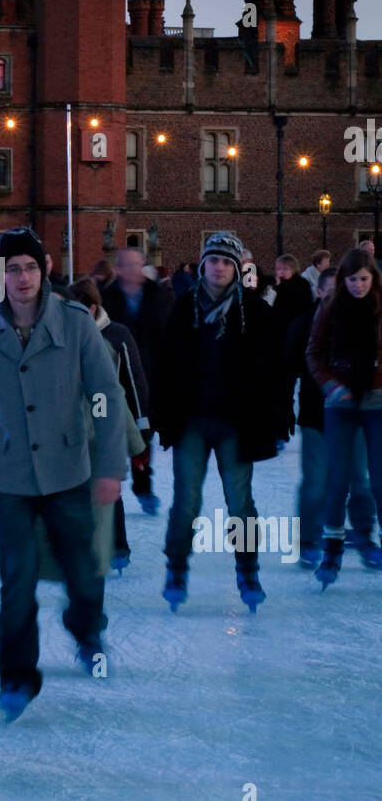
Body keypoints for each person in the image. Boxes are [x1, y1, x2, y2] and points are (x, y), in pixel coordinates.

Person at [0, 227, 127, 723]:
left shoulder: (75, 324)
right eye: (10, 269)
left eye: (28, 267)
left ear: (44, 267)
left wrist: (111, 464)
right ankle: (18, 675)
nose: (20, 278)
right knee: (17, 579)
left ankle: (86, 629)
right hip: (11, 476)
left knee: (84, 572)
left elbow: (106, 396)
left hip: (69, 472)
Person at [153, 230, 291, 611]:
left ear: (236, 268)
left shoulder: (256, 311)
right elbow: (164, 367)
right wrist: (162, 417)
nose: (218, 268)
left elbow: (276, 369)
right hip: (191, 421)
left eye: (225, 262)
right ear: (203, 266)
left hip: (237, 422)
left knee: (240, 501)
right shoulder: (183, 309)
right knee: (186, 500)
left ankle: (248, 570)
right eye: (212, 261)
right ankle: (176, 568)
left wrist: (280, 415)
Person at [285, 267, 377, 570]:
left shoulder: (360, 321)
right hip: (317, 417)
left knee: (358, 480)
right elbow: (285, 372)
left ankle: (365, 538)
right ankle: (309, 541)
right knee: (317, 481)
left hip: (357, 414)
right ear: (320, 292)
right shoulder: (302, 326)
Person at [306, 248, 382, 588]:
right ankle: (333, 548)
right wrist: (330, 385)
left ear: (373, 278)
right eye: (352, 280)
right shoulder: (331, 307)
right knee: (339, 480)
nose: (358, 286)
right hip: (340, 402)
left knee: (377, 480)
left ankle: (369, 540)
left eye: (363, 279)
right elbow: (313, 353)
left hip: (377, 402)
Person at [70, 277, 150, 573]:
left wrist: (141, 429)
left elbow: (131, 383)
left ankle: (118, 545)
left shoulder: (116, 335)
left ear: (92, 309)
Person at [101, 246, 172, 513]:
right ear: (118, 269)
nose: (135, 270)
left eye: (139, 264)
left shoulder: (159, 296)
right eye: (129, 265)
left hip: (149, 377)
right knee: (110, 434)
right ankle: (110, 490)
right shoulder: (108, 297)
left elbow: (168, 336)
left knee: (143, 433)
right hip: (114, 376)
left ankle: (143, 485)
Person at [271, 254, 314, 347]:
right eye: (278, 269)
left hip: (295, 328)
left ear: (293, 269)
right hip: (280, 329)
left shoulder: (301, 284)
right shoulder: (277, 284)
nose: (281, 272)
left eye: (285, 269)